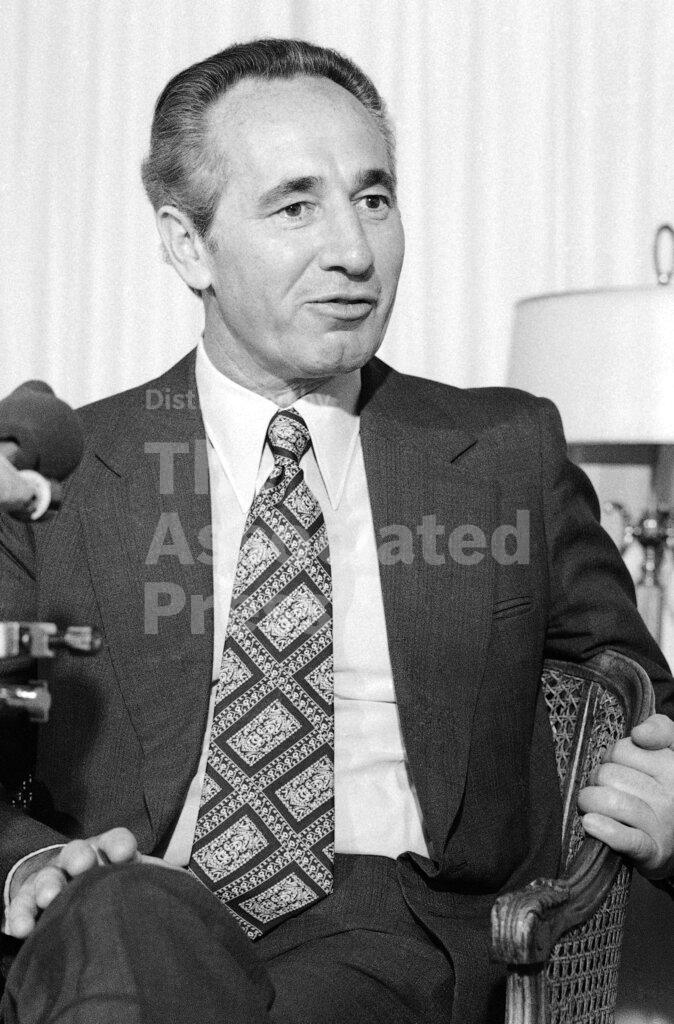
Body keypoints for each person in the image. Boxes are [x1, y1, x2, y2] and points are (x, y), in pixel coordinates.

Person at [1, 38, 673, 1024]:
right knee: (123, 917)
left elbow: (647, 697)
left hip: (386, 926)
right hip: (122, 909)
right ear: (187, 245)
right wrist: (29, 861)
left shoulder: (501, 453)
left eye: (374, 198)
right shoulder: (59, 474)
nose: (354, 251)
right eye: (295, 207)